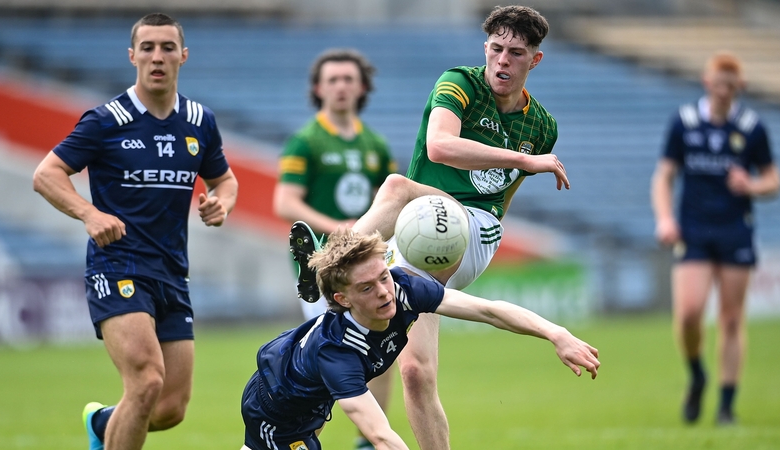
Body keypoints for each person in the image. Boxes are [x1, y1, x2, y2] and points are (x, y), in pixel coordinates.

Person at [285, 6, 564, 449]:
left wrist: (510, 181)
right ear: (485, 49)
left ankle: (323, 264)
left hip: (473, 228)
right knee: (414, 371)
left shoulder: (541, 126)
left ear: (535, 59)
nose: (503, 61)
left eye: (515, 52)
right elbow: (439, 146)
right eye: (496, 49)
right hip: (420, 224)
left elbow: (503, 193)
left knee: (395, 185)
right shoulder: (460, 83)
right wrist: (521, 159)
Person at [32, 13, 238, 450]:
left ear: (183, 55)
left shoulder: (199, 121)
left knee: (169, 408)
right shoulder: (107, 120)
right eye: (148, 48)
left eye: (167, 47)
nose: (157, 57)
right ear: (132, 56)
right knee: (145, 382)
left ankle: (103, 424)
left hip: (172, 272)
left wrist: (222, 202)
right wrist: (89, 214)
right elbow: (46, 174)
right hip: (118, 264)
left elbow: (225, 179)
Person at [241, 227, 599, 450]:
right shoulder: (337, 354)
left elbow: (488, 311)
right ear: (342, 300)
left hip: (309, 396)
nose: (384, 292)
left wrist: (556, 333)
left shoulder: (404, 288)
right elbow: (381, 436)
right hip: (277, 411)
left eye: (383, 277)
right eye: (367, 287)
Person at [273, 48, 396, 450]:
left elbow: (389, 200)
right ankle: (297, 436)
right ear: (318, 88)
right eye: (333, 80)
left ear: (362, 87)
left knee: (384, 347)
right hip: (324, 271)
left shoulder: (375, 144)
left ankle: (368, 441)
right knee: (331, 354)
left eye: (348, 79)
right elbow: (285, 202)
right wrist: (341, 231)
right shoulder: (305, 141)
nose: (341, 86)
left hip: (368, 265)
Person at [651, 51, 780, 425]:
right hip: (692, 230)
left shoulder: (752, 127)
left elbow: (774, 179)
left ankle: (726, 405)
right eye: (718, 84)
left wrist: (752, 184)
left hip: (734, 230)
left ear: (739, 88)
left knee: (730, 318)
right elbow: (663, 176)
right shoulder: (685, 122)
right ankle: (697, 375)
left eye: (731, 86)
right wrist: (664, 218)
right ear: (707, 83)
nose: (724, 92)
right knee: (690, 312)